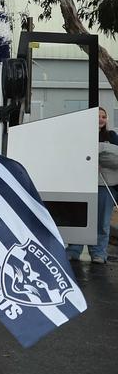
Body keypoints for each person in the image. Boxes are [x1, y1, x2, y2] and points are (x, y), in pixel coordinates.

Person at [67, 107, 118, 263]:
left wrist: (95, 153)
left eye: (104, 116)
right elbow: (74, 155)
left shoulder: (112, 136)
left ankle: (98, 253)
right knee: (79, 219)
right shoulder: (80, 135)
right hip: (82, 184)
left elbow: (115, 159)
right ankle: (74, 250)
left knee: (102, 222)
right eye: (98, 116)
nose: (101, 119)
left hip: (105, 186)